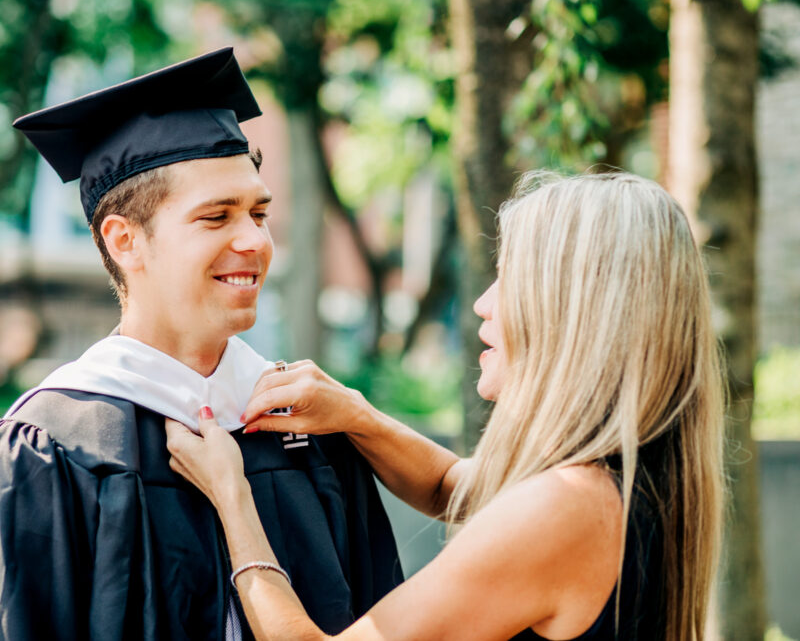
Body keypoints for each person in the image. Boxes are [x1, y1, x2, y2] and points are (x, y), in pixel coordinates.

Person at [0, 48, 402, 641]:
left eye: (259, 212)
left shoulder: (308, 429)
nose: (254, 240)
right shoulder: (50, 448)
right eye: (216, 217)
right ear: (125, 240)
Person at [167, 171, 725, 640]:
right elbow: (451, 487)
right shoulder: (629, 480)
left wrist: (231, 497)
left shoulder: (566, 509)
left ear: (569, 315)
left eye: (510, 281)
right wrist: (356, 415)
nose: (483, 304)